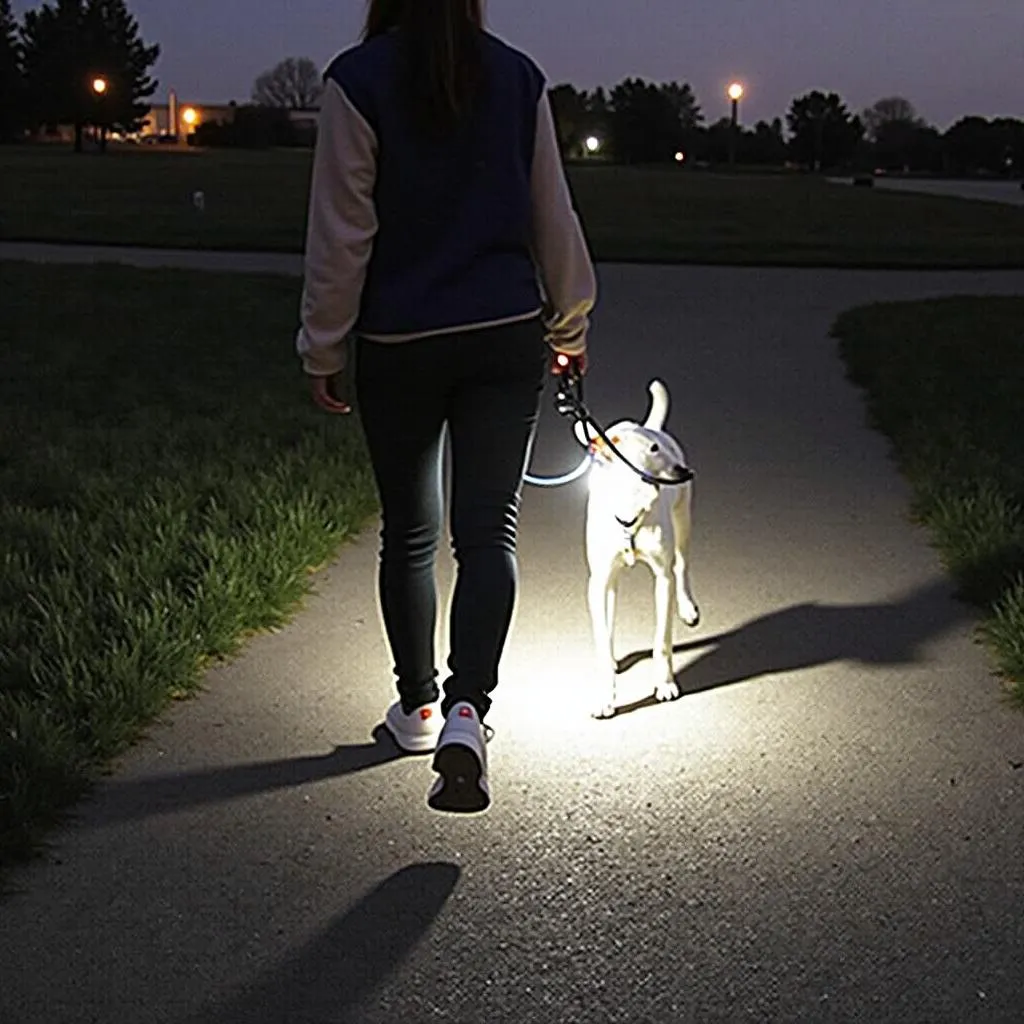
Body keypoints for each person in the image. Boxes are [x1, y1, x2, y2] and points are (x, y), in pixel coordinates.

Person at [295, 0, 597, 814]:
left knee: (411, 531)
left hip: (401, 341)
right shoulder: (516, 74)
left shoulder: (356, 82)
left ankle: (420, 706)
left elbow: (342, 234)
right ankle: (471, 711)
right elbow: (552, 215)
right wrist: (570, 323)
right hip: (502, 332)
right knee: (487, 529)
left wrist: (324, 347)